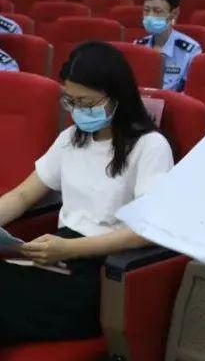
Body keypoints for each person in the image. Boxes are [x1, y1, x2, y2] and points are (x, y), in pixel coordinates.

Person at [0, 41, 173, 344]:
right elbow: (23, 195)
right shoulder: (71, 138)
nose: (77, 111)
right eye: (71, 101)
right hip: (57, 257)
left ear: (117, 97)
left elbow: (146, 231)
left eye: (86, 103)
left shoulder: (150, 146)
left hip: (103, 271)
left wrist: (70, 249)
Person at [135, 0, 202, 92]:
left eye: (157, 11)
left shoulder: (190, 51)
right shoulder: (137, 46)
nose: (150, 16)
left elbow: (190, 93)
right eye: (146, 10)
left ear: (174, 14)